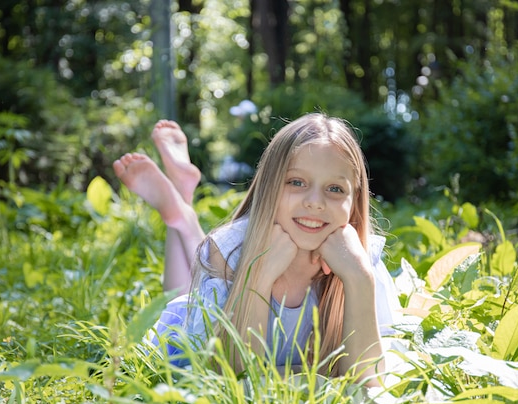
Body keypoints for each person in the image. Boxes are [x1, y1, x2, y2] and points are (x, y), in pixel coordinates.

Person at [113, 114, 401, 385]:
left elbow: (370, 384)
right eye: (296, 182)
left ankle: (182, 205)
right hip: (188, 348)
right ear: (269, 187)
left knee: (186, 288)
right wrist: (259, 276)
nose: (315, 202)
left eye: (335, 189)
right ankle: (182, 217)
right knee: (182, 297)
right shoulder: (231, 250)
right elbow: (235, 378)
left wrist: (358, 278)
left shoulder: (362, 259)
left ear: (355, 199)